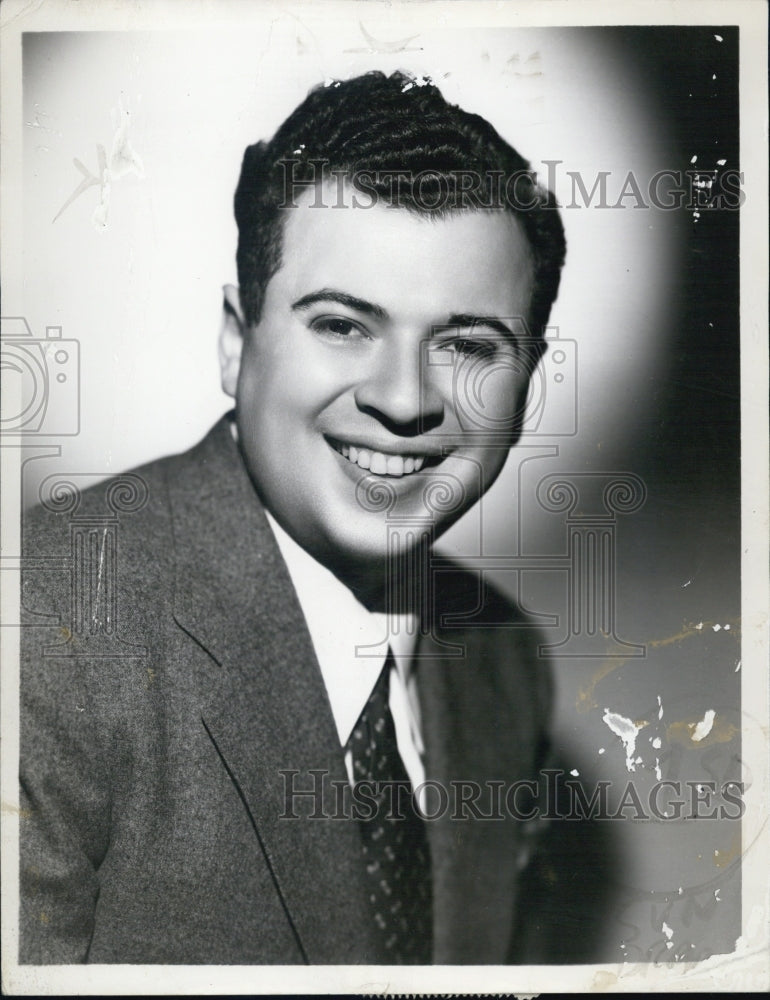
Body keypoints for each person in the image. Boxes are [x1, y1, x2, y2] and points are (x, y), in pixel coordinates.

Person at [19, 71, 596, 966]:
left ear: (531, 383)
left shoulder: (502, 661)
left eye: (468, 346)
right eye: (343, 326)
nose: (404, 400)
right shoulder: (49, 625)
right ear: (233, 341)